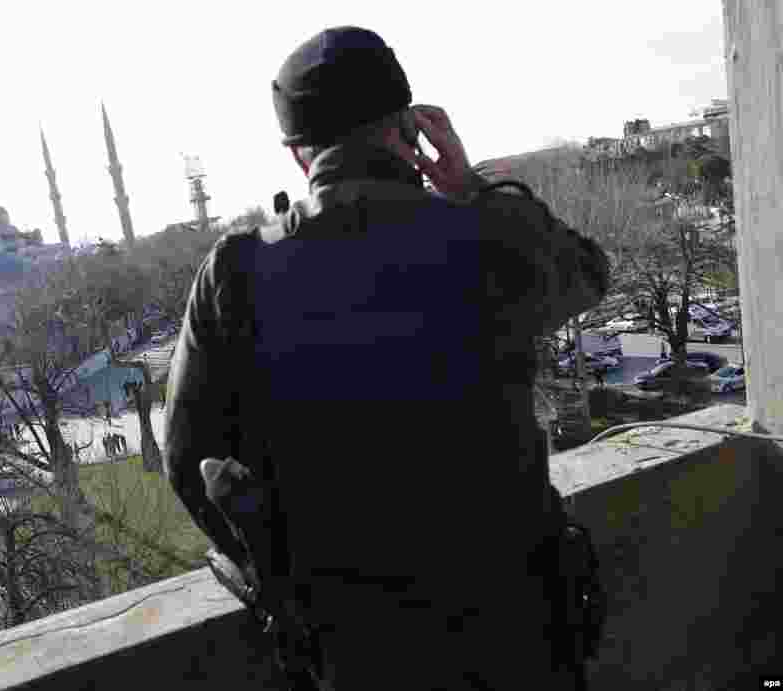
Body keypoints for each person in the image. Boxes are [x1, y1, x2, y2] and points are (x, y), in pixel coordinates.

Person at [164, 26, 609, 690]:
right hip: (521, 633)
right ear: (408, 128)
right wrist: (472, 187)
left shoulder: (238, 274)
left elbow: (187, 460)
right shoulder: (484, 238)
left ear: (297, 154)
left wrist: (285, 579)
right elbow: (587, 272)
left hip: (362, 648)